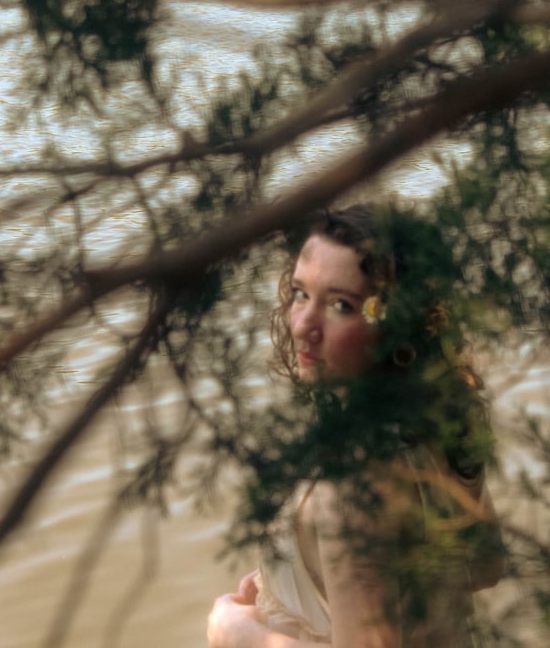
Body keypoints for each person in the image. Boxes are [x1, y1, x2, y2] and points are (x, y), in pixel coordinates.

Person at [207, 204, 504, 648]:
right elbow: (485, 565)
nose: (304, 324)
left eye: (340, 305)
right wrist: (294, 577)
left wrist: (239, 633)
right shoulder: (431, 422)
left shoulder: (351, 485)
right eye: (301, 293)